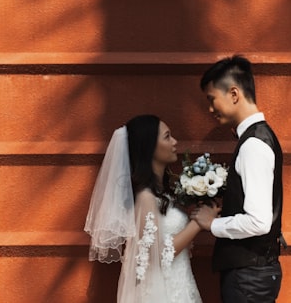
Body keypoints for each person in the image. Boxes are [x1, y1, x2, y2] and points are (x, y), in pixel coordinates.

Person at [86, 114, 219, 303]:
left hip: (178, 286)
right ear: (149, 147)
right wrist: (198, 223)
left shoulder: (161, 193)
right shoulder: (146, 197)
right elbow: (155, 255)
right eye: (167, 136)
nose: (175, 142)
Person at [193, 55, 284, 303]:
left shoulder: (254, 144)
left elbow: (259, 222)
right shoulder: (257, 138)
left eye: (212, 100)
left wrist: (212, 224)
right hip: (252, 276)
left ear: (234, 94)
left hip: (249, 278)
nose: (210, 109)